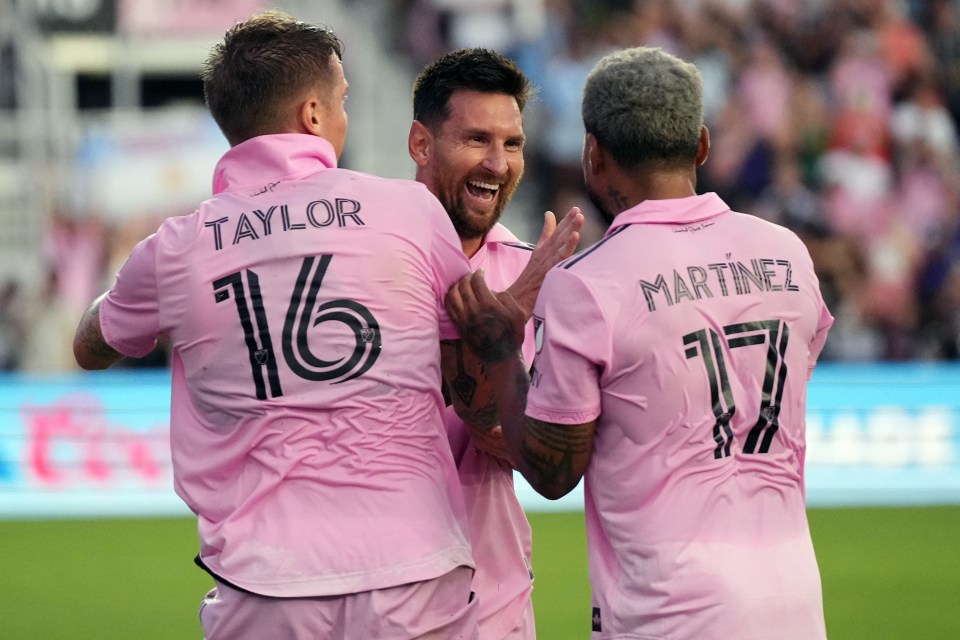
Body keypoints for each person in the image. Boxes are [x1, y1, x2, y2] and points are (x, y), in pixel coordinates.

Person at [72, 11, 480, 640]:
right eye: (342, 100)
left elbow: (91, 345)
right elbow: (470, 339)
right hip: (414, 570)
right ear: (313, 115)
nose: (346, 117)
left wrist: (121, 296)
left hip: (267, 587)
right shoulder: (408, 209)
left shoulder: (174, 249)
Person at [446, 46, 834, 639]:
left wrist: (501, 353)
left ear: (592, 154)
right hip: (795, 601)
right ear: (701, 145)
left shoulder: (589, 284)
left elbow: (552, 472)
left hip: (667, 610)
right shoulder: (787, 253)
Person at [408, 48, 583, 639]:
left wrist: (510, 323)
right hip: (367, 596)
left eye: (512, 143)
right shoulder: (366, 259)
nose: (497, 162)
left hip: (491, 603)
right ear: (421, 144)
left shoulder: (536, 274)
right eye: (477, 139)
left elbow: (535, 454)